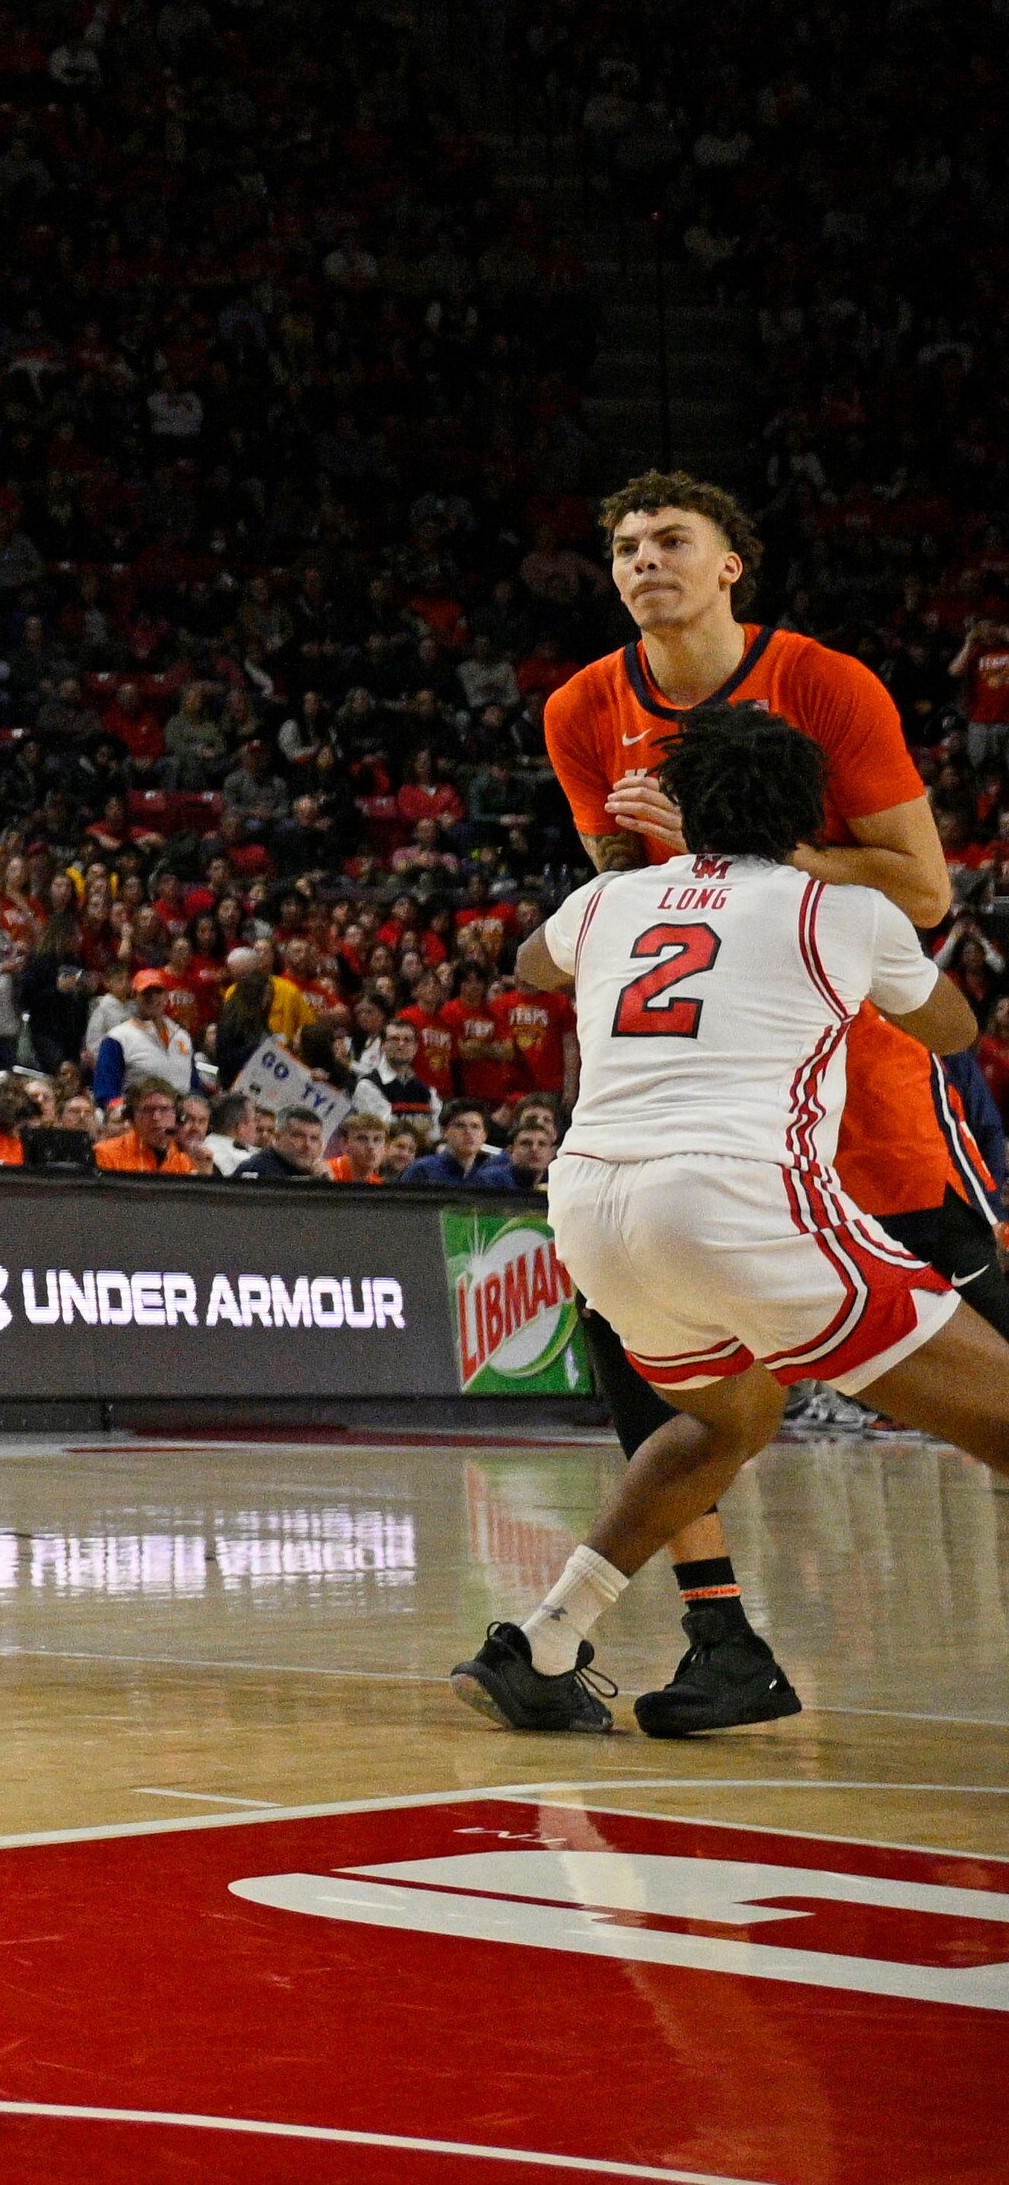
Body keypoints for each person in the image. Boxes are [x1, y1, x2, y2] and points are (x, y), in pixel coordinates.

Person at [460, 705, 1009, 1728]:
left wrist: (623, 863)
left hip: (591, 1207)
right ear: (806, 813)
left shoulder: (609, 897)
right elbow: (950, 1027)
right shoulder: (834, 908)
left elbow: (531, 964)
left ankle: (542, 1638)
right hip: (737, 1196)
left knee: (728, 1417)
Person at [533, 471, 970, 1733]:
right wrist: (655, 854)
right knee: (646, 1362)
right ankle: (716, 1637)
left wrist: (730, 850)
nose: (641, 562)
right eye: (621, 546)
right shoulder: (580, 708)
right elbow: (621, 879)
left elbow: (922, 890)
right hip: (703, 1066)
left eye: (670, 540)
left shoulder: (824, 683)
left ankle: (572, 1632)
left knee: (966, 1309)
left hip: (850, 1037)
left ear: (733, 566)